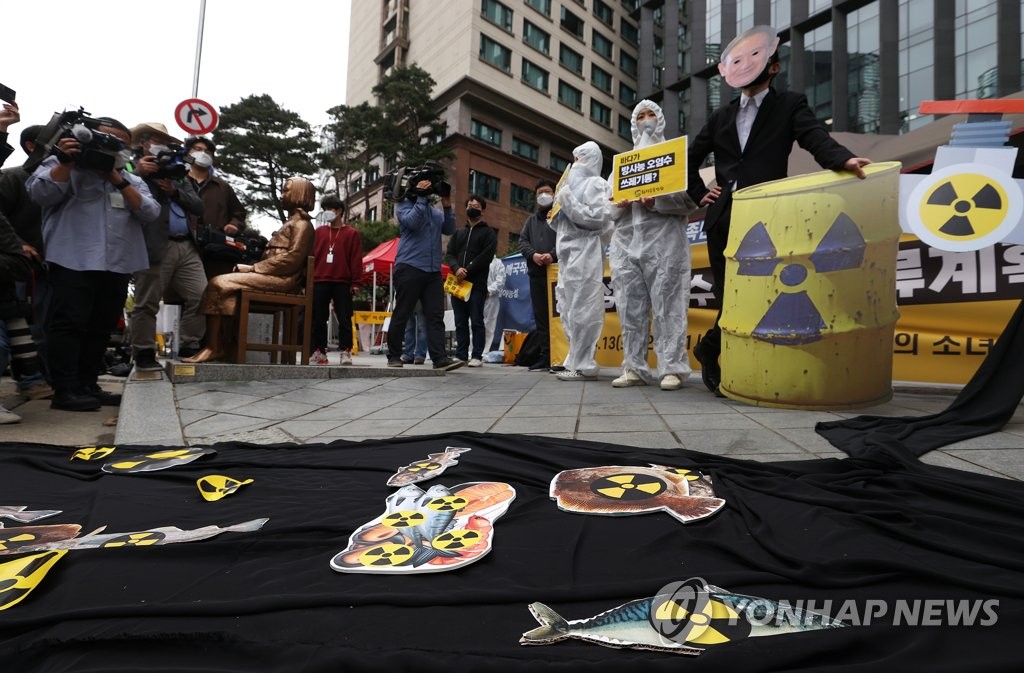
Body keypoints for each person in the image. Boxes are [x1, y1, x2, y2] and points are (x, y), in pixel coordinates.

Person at [687, 25, 871, 396]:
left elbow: (815, 137)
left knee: (766, 293)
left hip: (770, 218)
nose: (746, 66)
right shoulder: (720, 116)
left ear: (772, 67)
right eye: (738, 60)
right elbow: (688, 158)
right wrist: (699, 193)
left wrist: (844, 160)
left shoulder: (789, 105)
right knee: (729, 295)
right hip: (724, 218)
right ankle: (725, 358)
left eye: (756, 58)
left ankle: (711, 347)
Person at [27, 116, 159, 411]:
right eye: (104, 139)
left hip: (118, 262)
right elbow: (39, 194)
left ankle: (88, 384)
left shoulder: (132, 179)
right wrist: (66, 162)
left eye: (119, 145)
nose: (110, 147)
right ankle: (64, 388)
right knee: (69, 324)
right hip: (73, 258)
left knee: (100, 327)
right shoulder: (62, 166)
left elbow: (150, 212)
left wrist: (118, 179)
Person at [610, 100, 697, 392]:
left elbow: (689, 200)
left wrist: (657, 201)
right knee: (629, 307)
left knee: (668, 304)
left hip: (664, 243)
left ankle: (671, 368)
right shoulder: (622, 165)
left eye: (650, 115)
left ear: (659, 119)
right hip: (626, 244)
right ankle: (634, 366)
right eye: (640, 116)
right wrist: (618, 204)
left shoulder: (674, 158)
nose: (645, 121)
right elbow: (604, 209)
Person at [183, 177, 316, 363]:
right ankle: (222, 346)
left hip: (285, 280)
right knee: (228, 290)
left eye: (286, 191)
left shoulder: (303, 225)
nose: (282, 195)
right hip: (273, 276)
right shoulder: (289, 224)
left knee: (219, 283)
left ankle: (214, 347)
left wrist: (254, 268)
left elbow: (292, 259)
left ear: (299, 194)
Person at [127, 123, 206, 369]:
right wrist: (140, 173)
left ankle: (189, 345)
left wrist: (174, 190)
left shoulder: (178, 173)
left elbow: (198, 206)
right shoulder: (131, 167)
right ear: (144, 143)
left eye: (164, 139)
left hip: (186, 246)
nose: (161, 144)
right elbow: (122, 192)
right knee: (147, 302)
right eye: (157, 139)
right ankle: (143, 352)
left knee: (201, 295)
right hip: (152, 243)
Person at [385, 178, 463, 371]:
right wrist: (420, 198)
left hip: (433, 271)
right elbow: (411, 223)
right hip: (409, 266)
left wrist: (446, 205)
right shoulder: (403, 206)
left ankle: (439, 358)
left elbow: (450, 229)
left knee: (435, 316)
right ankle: (394, 355)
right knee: (403, 312)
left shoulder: (434, 212)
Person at [550, 141, 612, 382]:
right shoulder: (567, 185)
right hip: (566, 253)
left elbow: (597, 218)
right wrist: (559, 203)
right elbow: (555, 221)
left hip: (586, 250)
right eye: (575, 157)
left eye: (582, 158)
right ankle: (574, 355)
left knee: (584, 305)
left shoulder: (597, 184)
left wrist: (569, 202)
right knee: (566, 305)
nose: (577, 163)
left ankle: (584, 360)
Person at [183, 135, 248, 279]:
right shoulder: (178, 181)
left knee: (214, 292)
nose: (203, 154)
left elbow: (239, 213)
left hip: (215, 251)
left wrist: (234, 225)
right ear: (188, 153)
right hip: (184, 246)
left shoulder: (223, 188)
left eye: (207, 152)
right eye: (198, 149)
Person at [309, 194, 362, 366]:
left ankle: (346, 351)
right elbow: (311, 256)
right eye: (323, 210)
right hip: (319, 279)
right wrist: (308, 280)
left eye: (329, 209)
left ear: (339, 211)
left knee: (345, 318)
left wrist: (356, 283)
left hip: (342, 281)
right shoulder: (318, 232)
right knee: (318, 318)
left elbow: (355, 259)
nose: (326, 213)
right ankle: (319, 351)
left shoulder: (351, 233)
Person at [446, 194, 496, 367]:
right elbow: (450, 253)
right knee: (460, 321)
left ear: (482, 210)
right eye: (469, 205)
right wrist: (455, 268)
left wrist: (467, 270)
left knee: (476, 320)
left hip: (477, 284)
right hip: (458, 284)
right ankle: (461, 355)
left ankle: (477, 356)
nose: (472, 207)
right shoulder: (459, 232)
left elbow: (486, 256)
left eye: (476, 205)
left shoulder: (489, 233)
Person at [519, 178, 558, 372]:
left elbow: (566, 240)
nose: (543, 195)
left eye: (547, 191)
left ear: (554, 194)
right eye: (539, 193)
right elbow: (523, 242)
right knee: (541, 317)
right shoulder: (530, 221)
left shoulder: (560, 217)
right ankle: (545, 355)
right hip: (536, 275)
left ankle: (560, 356)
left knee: (559, 317)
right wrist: (533, 255)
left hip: (557, 276)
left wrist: (552, 255)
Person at [482, 253, 506, 355]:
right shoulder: (478, 260)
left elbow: (500, 281)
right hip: (476, 296)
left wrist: (488, 291)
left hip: (491, 298)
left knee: (489, 325)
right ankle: (472, 350)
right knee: (473, 324)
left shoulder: (498, 263)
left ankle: (484, 351)